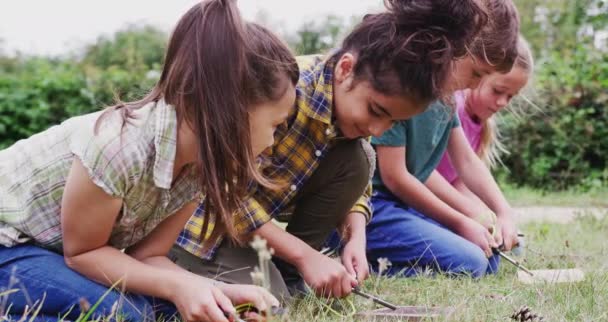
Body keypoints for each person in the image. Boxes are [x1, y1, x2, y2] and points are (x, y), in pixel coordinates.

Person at [0, 0, 298, 322]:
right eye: (275, 124)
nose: (273, 141)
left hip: (53, 255)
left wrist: (216, 292)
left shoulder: (197, 167)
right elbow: (82, 254)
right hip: (11, 243)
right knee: (130, 317)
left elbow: (148, 258)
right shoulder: (120, 147)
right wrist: (178, 288)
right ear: (231, 110)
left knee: (172, 310)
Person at [171, 0, 492, 299]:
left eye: (391, 122)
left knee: (359, 159)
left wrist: (356, 236)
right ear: (345, 69)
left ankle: (287, 274)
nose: (377, 130)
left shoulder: (349, 115)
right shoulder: (282, 94)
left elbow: (360, 182)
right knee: (271, 301)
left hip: (252, 234)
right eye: (377, 111)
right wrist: (304, 254)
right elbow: (223, 192)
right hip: (200, 228)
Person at [364, 0, 522, 278]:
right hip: (375, 207)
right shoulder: (401, 86)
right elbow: (395, 177)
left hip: (406, 208)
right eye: (476, 73)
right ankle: (361, 264)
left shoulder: (445, 97)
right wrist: (461, 221)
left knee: (491, 254)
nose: (475, 84)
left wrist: (503, 212)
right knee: (471, 262)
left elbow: (466, 160)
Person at [436, 35, 534, 207]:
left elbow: (457, 180)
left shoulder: (481, 124)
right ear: (480, 73)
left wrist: (487, 214)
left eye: (510, 96)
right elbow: (422, 172)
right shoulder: (451, 108)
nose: (503, 102)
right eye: (498, 90)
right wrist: (469, 212)